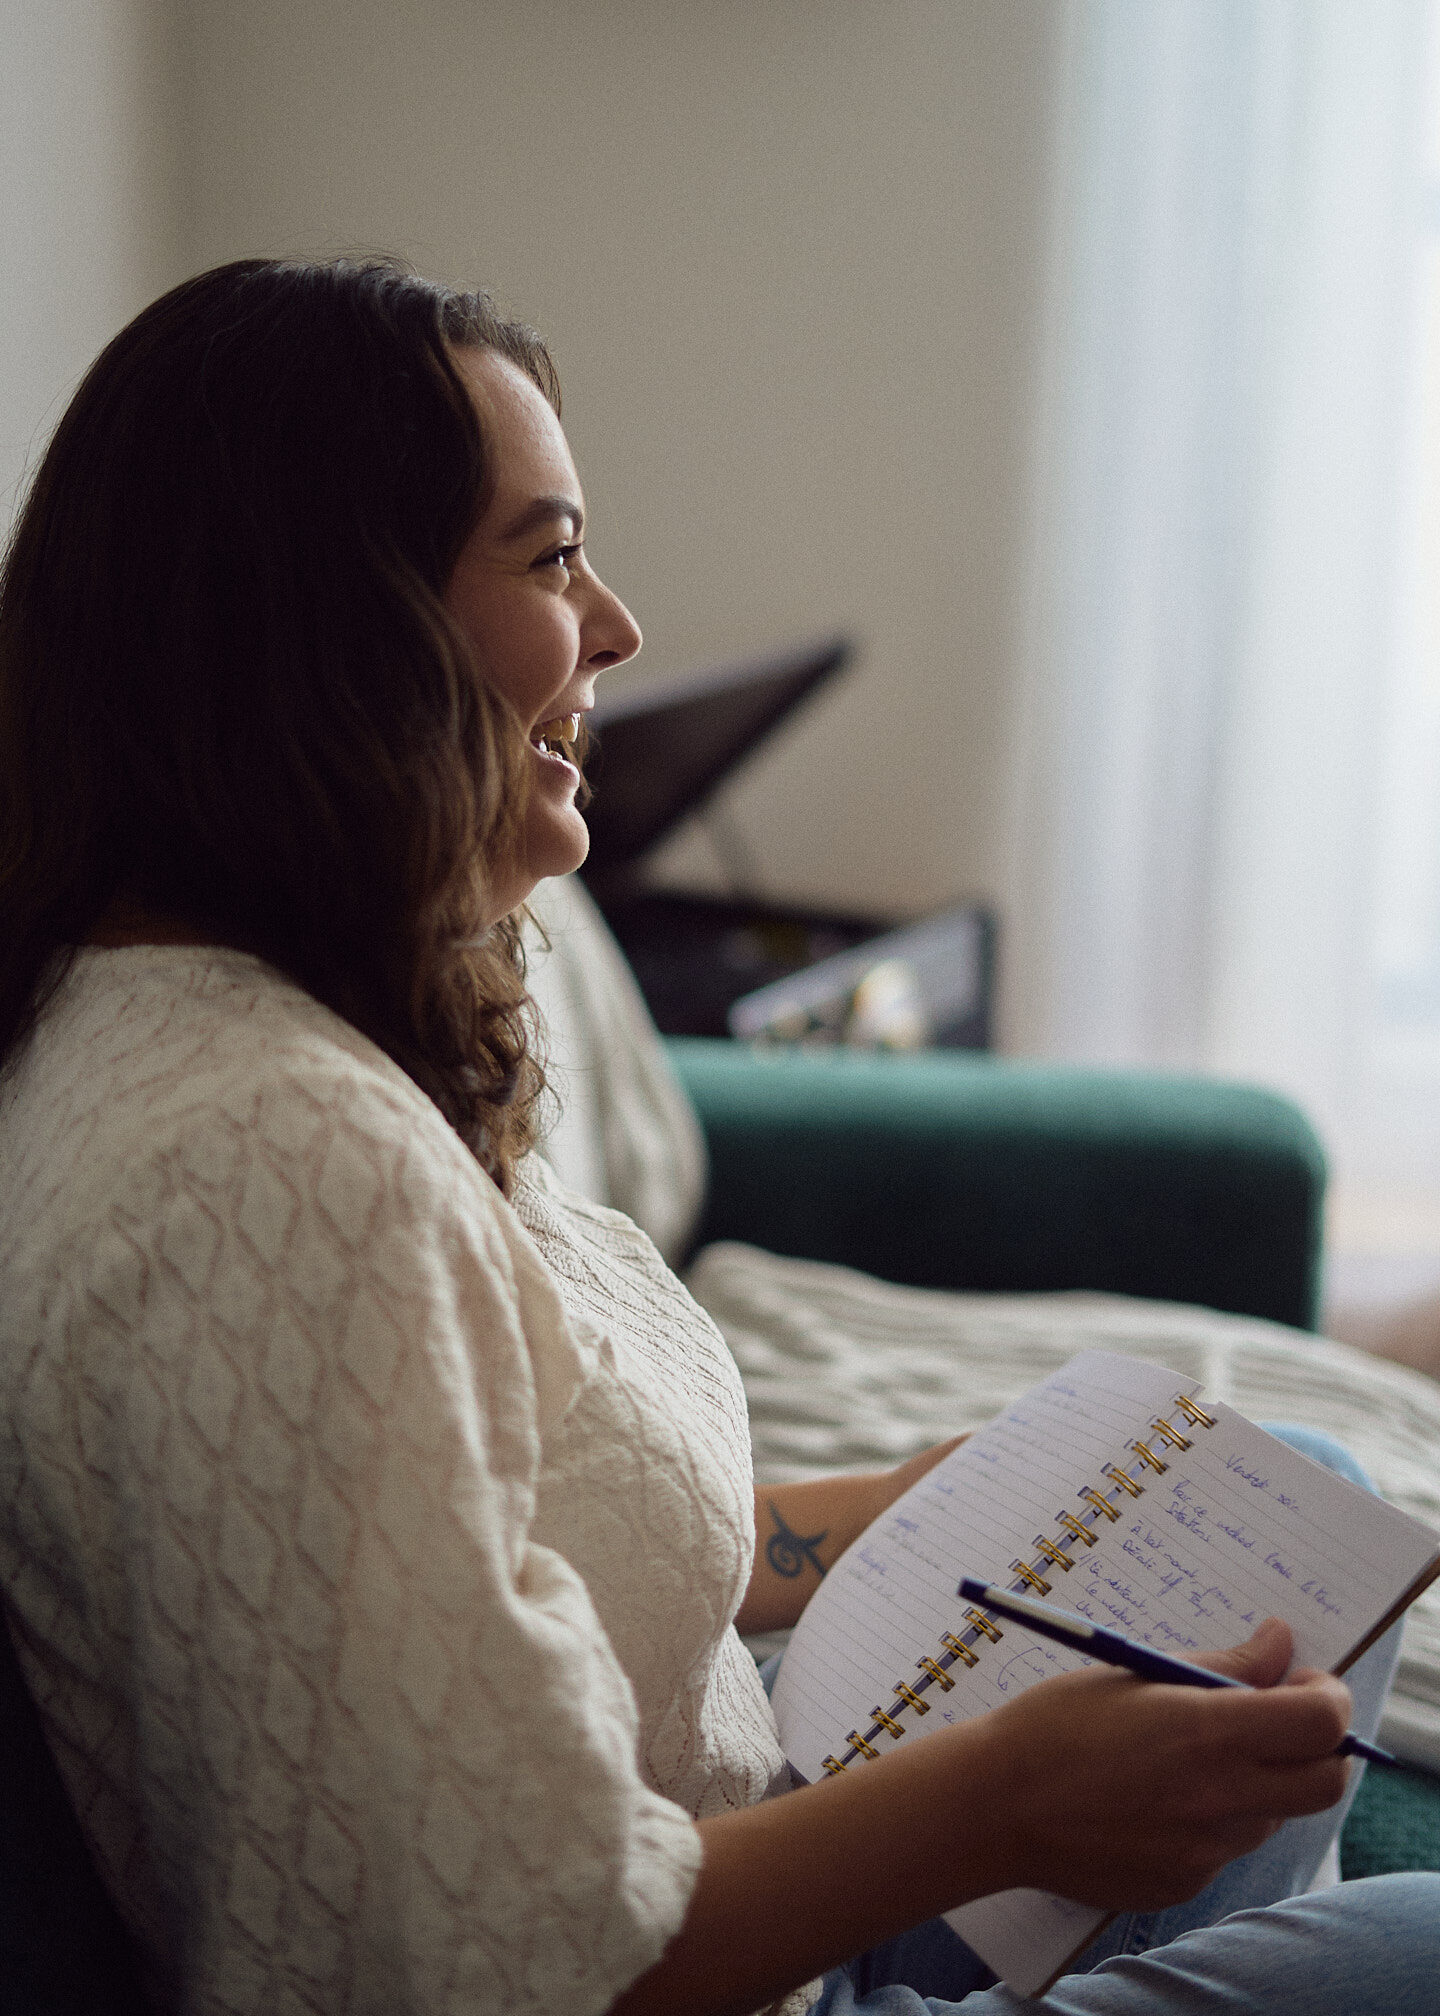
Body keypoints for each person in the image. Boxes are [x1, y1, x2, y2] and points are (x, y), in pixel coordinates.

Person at [0, 257, 1433, 2016]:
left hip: (742, 1840)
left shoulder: (222, 1008)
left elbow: (497, 1506)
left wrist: (903, 1503)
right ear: (330, 631)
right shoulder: (274, 1169)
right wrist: (1003, 1798)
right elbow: (498, 1965)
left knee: (1314, 1499)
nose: (616, 627)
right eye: (548, 556)